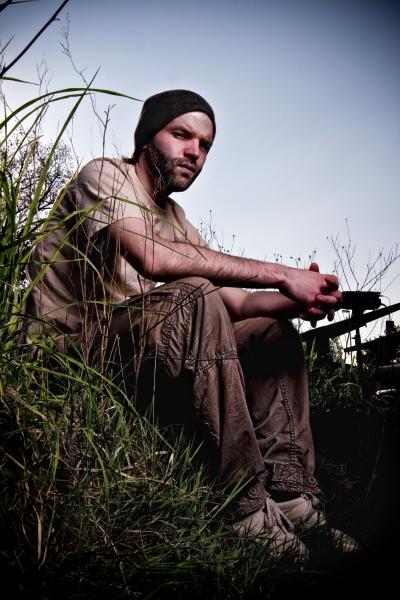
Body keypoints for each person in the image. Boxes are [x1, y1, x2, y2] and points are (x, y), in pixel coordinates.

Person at [27, 89, 357, 562]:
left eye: (205, 145)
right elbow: (155, 259)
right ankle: (244, 507)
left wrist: (300, 298)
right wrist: (282, 273)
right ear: (148, 138)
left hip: (141, 357)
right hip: (70, 359)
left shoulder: (177, 220)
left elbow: (240, 302)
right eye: (181, 135)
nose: (194, 152)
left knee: (270, 331)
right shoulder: (104, 176)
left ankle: (290, 495)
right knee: (195, 295)